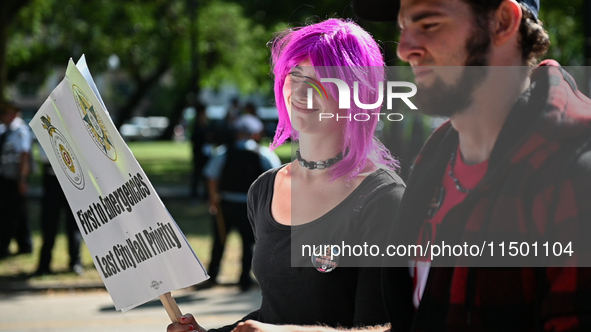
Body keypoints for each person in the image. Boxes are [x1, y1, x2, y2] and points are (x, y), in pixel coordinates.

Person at [232, 0, 591, 331]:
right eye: (404, 26)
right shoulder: (437, 160)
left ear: (502, 22)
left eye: (429, 23)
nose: (405, 48)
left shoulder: (574, 170)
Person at [167, 18, 405, 332]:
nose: (304, 90)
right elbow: (276, 311)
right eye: (296, 74)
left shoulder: (384, 198)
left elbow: (381, 327)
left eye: (324, 79)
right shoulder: (265, 189)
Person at [203, 111, 280, 292]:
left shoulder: (223, 152)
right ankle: (244, 279)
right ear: (255, 134)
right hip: (251, 208)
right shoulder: (264, 154)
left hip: (226, 205)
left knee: (220, 240)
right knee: (249, 243)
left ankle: (213, 274)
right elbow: (276, 178)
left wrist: (213, 200)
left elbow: (211, 177)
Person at [33, 147, 83, 276]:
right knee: (49, 223)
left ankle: (75, 262)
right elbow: (45, 156)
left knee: (74, 224)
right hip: (51, 180)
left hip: (71, 180)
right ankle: (44, 264)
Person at [0, 102, 33, 259]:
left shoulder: (20, 130)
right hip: (5, 177)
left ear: (14, 113)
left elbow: (24, 155)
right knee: (19, 212)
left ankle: (3, 246)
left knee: (9, 214)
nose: (3, 115)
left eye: (6, 112)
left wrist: (22, 179)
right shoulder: (4, 130)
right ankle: (25, 245)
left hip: (14, 179)